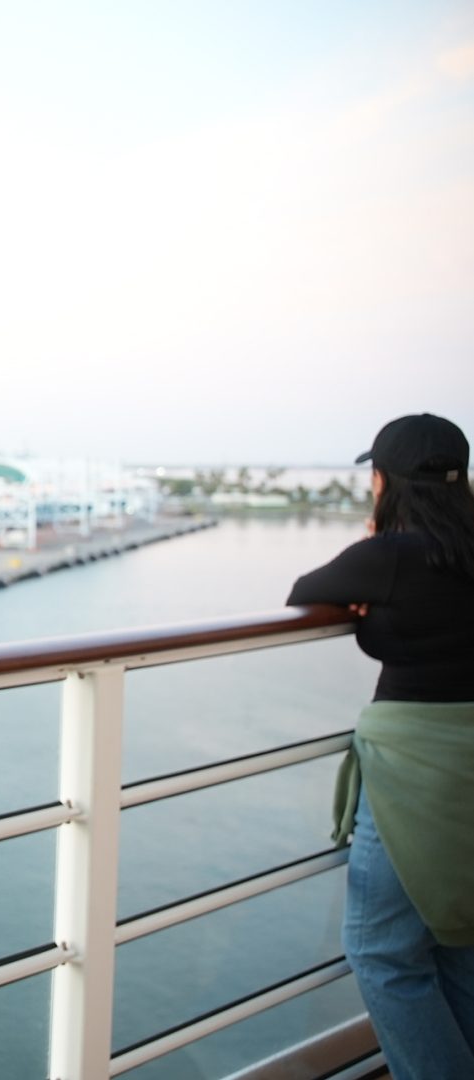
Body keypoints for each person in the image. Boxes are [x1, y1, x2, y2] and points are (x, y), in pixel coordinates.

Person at [287, 413, 474, 1078]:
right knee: (456, 938)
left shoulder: (388, 556)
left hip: (411, 771)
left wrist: (372, 555)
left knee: (380, 950)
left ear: (382, 482)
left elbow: (304, 593)